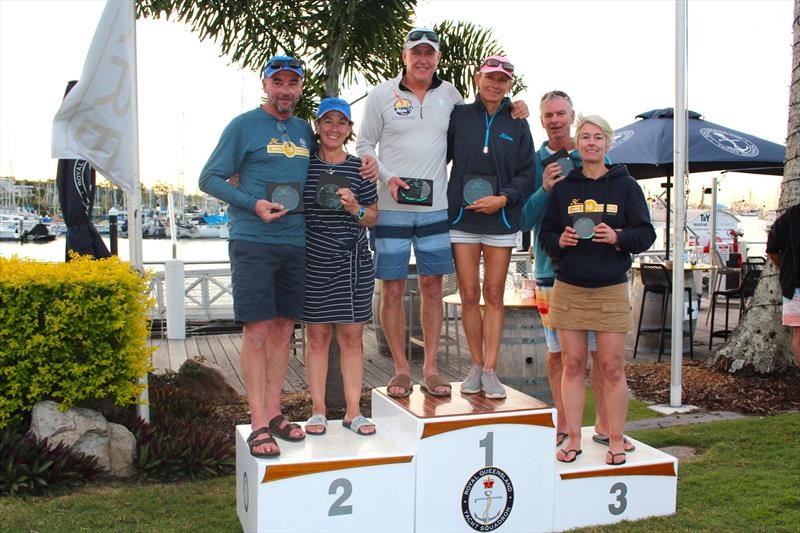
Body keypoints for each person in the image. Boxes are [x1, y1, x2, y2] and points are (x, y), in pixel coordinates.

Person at [198, 56, 376, 457]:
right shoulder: (243, 126)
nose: (285, 90)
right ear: (266, 85)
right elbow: (208, 178)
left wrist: (370, 160)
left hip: (297, 244)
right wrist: (250, 203)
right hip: (254, 241)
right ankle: (258, 420)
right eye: (277, 82)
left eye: (292, 83)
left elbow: (335, 155)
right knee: (257, 331)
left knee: (282, 330)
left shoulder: (302, 131)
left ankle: (277, 411)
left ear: (299, 89)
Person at [356, 28, 528, 398]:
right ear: (404, 56)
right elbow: (365, 143)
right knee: (392, 289)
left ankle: (432, 369)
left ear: (437, 59)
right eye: (416, 53)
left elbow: (482, 117)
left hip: (437, 209)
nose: (422, 59)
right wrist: (386, 176)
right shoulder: (381, 95)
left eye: (429, 54)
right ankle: (402, 370)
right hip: (391, 207)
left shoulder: (450, 95)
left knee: (433, 287)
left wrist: (517, 106)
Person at [520, 91, 634, 452]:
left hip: (602, 278)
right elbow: (525, 219)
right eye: (548, 115)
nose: (555, 120)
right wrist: (544, 189)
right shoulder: (534, 161)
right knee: (561, 358)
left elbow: (623, 212)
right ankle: (567, 429)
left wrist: (618, 238)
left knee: (605, 359)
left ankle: (605, 427)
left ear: (571, 117)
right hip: (550, 273)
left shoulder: (597, 157)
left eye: (561, 113)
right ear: (541, 121)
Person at [539, 115, 655, 466]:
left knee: (612, 368)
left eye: (597, 137)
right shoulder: (563, 188)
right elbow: (545, 236)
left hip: (610, 289)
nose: (591, 143)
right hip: (570, 288)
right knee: (572, 365)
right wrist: (559, 241)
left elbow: (646, 233)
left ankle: (616, 440)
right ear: (578, 142)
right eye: (585, 137)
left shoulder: (626, 186)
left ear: (607, 143)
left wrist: (619, 237)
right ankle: (573, 438)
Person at [445, 56, 535, 399]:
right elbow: (439, 156)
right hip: (462, 220)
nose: (495, 84)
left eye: (503, 80)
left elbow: (528, 174)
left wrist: (504, 198)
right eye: (490, 77)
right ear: (478, 78)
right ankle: (476, 364)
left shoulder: (518, 122)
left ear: (510, 85)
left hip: (500, 220)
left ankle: (491, 370)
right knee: (469, 295)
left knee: (494, 295)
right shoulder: (460, 115)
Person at [302, 98, 378, 436]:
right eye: (327, 121)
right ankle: (317, 410)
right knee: (316, 336)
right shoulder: (302, 166)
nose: (334, 128)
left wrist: (355, 208)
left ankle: (353, 411)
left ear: (349, 129)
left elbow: (373, 218)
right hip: (313, 260)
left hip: (352, 262)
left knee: (351, 337)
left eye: (341, 122)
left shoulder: (360, 168)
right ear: (317, 126)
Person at [766, 202, 800, 366]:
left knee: (799, 334)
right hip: (795, 285)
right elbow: (772, 249)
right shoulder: (789, 217)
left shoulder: (788, 217)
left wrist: (786, 269)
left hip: (794, 284)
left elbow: (772, 249)